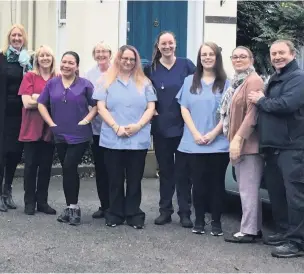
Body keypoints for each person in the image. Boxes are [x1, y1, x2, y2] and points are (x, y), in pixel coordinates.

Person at [249, 40, 304, 258]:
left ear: (292, 54)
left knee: (295, 197)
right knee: (277, 194)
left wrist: (261, 100)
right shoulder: (277, 77)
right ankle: (284, 232)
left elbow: (286, 105)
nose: (277, 57)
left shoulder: (298, 79)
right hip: (273, 146)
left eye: (281, 53)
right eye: (273, 54)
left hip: (292, 147)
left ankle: (297, 242)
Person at [93, 45, 157, 229]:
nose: (128, 62)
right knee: (114, 178)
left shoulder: (145, 82)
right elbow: (101, 107)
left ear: (136, 61)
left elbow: (151, 108)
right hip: (113, 138)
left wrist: (137, 126)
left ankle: (133, 213)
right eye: (125, 58)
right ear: (118, 59)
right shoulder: (105, 80)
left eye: (132, 59)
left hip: (138, 139)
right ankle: (114, 213)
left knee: (135, 179)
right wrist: (115, 126)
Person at [37, 51, 97, 226]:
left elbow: (96, 105)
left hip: (80, 135)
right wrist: (51, 123)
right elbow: (41, 103)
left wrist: (86, 120)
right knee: (67, 170)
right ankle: (71, 207)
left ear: (77, 66)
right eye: (64, 62)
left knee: (70, 166)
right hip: (60, 134)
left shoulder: (85, 84)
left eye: (71, 63)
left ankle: (74, 208)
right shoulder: (52, 83)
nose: (66, 65)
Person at [176, 42, 229, 235]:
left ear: (217, 58)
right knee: (197, 185)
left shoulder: (226, 83)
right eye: (203, 54)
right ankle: (199, 220)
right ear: (199, 58)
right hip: (194, 143)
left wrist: (214, 133)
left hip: (218, 143)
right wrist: (196, 133)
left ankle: (216, 222)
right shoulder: (189, 80)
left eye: (211, 54)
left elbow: (228, 114)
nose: (207, 57)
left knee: (216, 184)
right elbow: (184, 108)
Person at [144, 31, 196, 227]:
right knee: (165, 171)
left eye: (170, 43)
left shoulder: (187, 65)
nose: (167, 46)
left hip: (184, 127)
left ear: (176, 45)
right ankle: (165, 210)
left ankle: (185, 212)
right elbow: (143, 92)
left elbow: (197, 89)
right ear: (158, 46)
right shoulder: (151, 69)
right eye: (163, 43)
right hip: (161, 128)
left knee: (184, 172)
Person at [218, 46, 264, 242]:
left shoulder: (253, 80)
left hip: (249, 145)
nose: (238, 59)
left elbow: (253, 114)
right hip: (241, 143)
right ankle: (254, 228)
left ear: (251, 60)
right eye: (235, 57)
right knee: (248, 187)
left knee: (248, 189)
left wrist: (238, 139)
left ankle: (248, 232)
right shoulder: (238, 82)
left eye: (243, 56)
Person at [18, 45, 57, 215]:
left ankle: (42, 201)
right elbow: (26, 103)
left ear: (52, 58)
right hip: (31, 127)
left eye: (48, 55)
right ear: (37, 59)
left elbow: (60, 101)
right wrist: (46, 99)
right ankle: (29, 202)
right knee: (31, 166)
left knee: (46, 167)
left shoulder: (57, 77)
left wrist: (37, 97)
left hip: (49, 128)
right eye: (41, 55)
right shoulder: (30, 77)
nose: (45, 58)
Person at [0, 24, 32, 212]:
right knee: (1, 155)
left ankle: (7, 193)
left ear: (24, 38)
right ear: (9, 37)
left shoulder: (28, 59)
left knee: (14, 154)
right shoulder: (2, 58)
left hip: (21, 114)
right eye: (14, 35)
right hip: (3, 113)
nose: (17, 38)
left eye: (20, 35)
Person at [85, 42, 111, 219]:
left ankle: (117, 205)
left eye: (104, 51)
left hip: (115, 129)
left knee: (115, 170)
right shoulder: (89, 75)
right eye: (98, 52)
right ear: (94, 55)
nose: (101, 54)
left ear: (110, 54)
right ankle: (104, 206)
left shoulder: (117, 71)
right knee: (101, 169)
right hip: (96, 130)